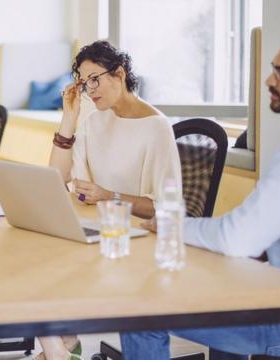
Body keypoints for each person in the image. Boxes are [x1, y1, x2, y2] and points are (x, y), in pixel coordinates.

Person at [120, 18, 280, 360]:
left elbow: (236, 238)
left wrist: (170, 225)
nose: (270, 80)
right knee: (228, 299)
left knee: (140, 308)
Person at [39, 41, 182, 359]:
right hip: (95, 232)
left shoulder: (157, 127)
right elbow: (57, 179)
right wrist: (69, 118)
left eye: (95, 79)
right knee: (35, 250)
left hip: (135, 241)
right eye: (84, 82)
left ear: (119, 74)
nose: (90, 90)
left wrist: (109, 195)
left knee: (49, 265)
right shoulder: (94, 120)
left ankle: (60, 348)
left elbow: (166, 208)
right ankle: (60, 347)